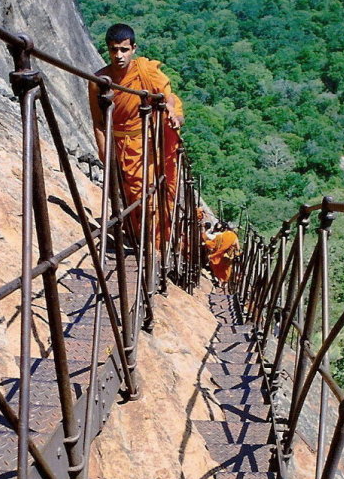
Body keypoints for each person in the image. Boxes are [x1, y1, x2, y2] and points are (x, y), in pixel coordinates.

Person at [88, 23, 184, 244]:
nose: (118, 55)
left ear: (133, 48)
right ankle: (140, 238)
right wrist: (104, 153)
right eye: (113, 50)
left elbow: (166, 96)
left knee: (148, 192)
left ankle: (155, 244)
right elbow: (98, 122)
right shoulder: (99, 81)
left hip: (147, 142)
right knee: (131, 193)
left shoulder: (144, 71)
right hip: (120, 145)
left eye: (124, 49)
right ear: (107, 50)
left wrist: (170, 111)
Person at [203, 220, 240, 292]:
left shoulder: (221, 235)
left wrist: (206, 243)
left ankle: (220, 281)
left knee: (218, 268)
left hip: (218, 256)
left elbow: (212, 244)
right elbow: (238, 247)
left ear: (226, 228)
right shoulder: (234, 237)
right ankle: (225, 282)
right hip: (228, 256)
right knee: (226, 270)